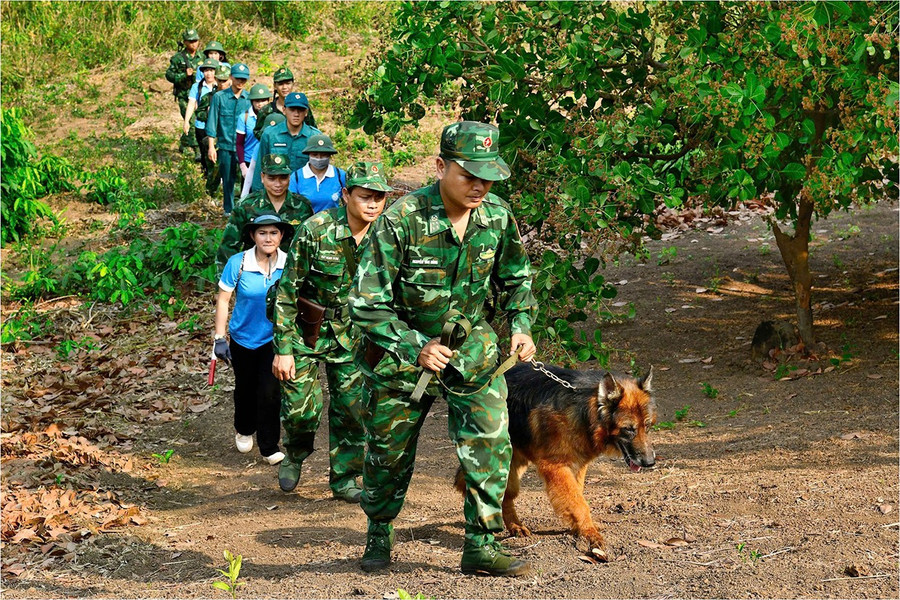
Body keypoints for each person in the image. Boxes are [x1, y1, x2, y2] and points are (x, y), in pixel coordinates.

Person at [348, 121, 537, 576]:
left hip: (472, 350)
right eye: (469, 174)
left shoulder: (497, 217)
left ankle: (481, 543)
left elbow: (516, 278)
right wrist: (415, 346)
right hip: (402, 357)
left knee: (492, 441)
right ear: (440, 166)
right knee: (388, 453)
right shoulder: (402, 220)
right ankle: (379, 531)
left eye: (487, 176)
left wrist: (521, 323)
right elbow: (366, 303)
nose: (479, 186)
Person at [271, 162, 393, 501]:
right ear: (345, 195)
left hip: (353, 334)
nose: (372, 204)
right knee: (300, 411)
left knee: (352, 410)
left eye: (379, 198)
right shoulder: (316, 230)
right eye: (365, 196)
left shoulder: (387, 236)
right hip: (306, 330)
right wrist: (283, 348)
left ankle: (345, 479)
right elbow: (286, 291)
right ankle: (295, 452)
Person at [214, 214, 295, 466]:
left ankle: (269, 446)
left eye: (273, 233)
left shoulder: (289, 263)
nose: (268, 238)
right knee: (245, 388)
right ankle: (244, 428)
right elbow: (224, 299)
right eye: (262, 233)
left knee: (270, 392)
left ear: (281, 236)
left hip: (275, 340)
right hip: (243, 338)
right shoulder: (238, 263)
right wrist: (219, 337)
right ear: (253, 236)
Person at [216, 153, 313, 273]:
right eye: (271, 178)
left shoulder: (302, 207)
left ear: (289, 177)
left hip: (291, 275)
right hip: (253, 273)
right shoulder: (246, 206)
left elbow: (309, 248)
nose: (278, 184)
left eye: (283, 178)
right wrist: (224, 284)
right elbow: (228, 247)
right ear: (262, 177)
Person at [250, 92, 321, 193]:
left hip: (304, 194)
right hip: (276, 192)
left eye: (300, 110)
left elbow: (320, 169)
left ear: (306, 112)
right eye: (292, 110)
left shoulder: (314, 137)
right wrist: (258, 194)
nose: (296, 114)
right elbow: (260, 168)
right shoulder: (270, 134)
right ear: (284, 110)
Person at [207, 62, 251, 215]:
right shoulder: (220, 97)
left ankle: (244, 210)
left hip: (244, 147)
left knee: (246, 180)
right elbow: (212, 121)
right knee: (227, 180)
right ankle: (228, 210)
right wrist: (211, 146)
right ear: (231, 77)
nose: (240, 82)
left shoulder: (249, 99)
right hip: (225, 145)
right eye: (238, 78)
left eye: (244, 80)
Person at [165, 28, 202, 158]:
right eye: (190, 41)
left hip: (199, 96)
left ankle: (184, 143)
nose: (193, 44)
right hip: (184, 95)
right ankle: (197, 149)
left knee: (200, 120)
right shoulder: (178, 58)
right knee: (191, 122)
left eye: (195, 41)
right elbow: (169, 75)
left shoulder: (202, 57)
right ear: (185, 42)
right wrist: (183, 75)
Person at [254, 67, 317, 141]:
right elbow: (258, 133)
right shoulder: (266, 110)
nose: (284, 87)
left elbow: (312, 130)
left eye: (288, 83)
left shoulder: (302, 108)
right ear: (275, 86)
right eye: (280, 84)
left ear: (293, 84)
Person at [183, 57, 219, 184]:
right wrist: (186, 121)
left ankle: (217, 178)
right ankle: (206, 177)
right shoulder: (197, 87)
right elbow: (191, 103)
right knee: (205, 153)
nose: (209, 73)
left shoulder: (221, 86)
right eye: (206, 70)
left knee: (218, 151)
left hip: (217, 126)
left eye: (212, 70)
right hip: (201, 125)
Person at [288, 134, 345, 214]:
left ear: (330, 155)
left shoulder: (340, 175)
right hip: (306, 223)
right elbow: (291, 206)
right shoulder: (297, 177)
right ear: (309, 155)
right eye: (315, 154)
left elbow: (348, 202)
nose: (319, 158)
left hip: (333, 223)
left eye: (324, 154)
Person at [236, 83, 271, 181]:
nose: (260, 104)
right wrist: (243, 166)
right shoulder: (245, 117)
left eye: (263, 100)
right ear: (252, 101)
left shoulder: (272, 117)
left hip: (268, 160)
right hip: (249, 160)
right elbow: (239, 143)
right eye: (257, 101)